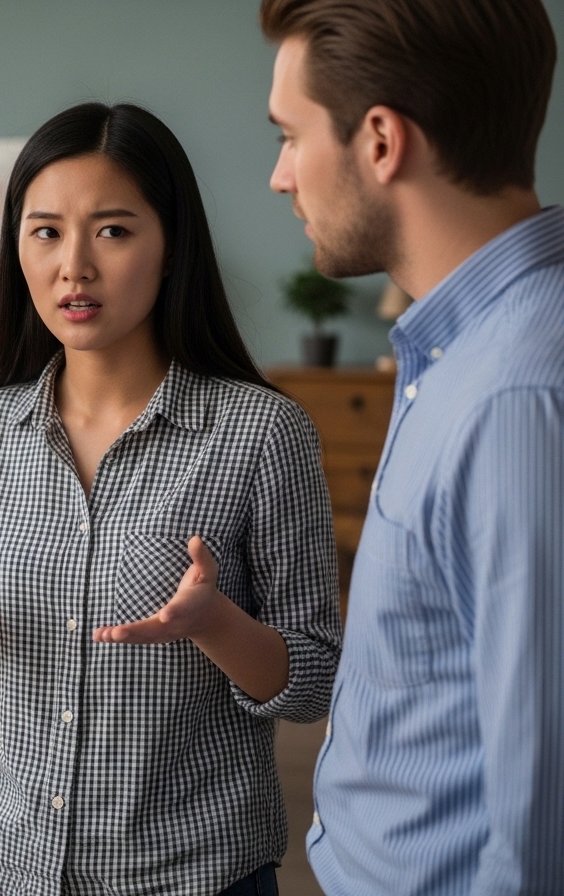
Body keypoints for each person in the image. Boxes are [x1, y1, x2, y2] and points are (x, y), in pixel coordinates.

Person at [0, 103, 342, 896]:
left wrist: (215, 624)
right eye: (45, 232)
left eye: (112, 230)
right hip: (3, 862)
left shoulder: (261, 432)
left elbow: (312, 681)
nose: (74, 266)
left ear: (171, 244)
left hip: (189, 870)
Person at [260, 2, 564, 893]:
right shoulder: (456, 353)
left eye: (288, 135)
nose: (280, 177)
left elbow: (542, 820)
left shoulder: (516, 398)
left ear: (382, 141)